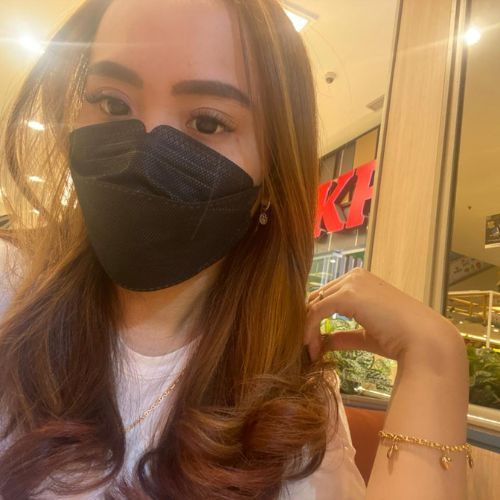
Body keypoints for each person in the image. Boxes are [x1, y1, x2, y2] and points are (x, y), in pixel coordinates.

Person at [0, 0, 470, 499]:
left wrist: (435, 358)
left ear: (272, 177)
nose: (143, 154)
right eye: (112, 103)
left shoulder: (295, 400)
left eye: (207, 122)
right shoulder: (11, 291)